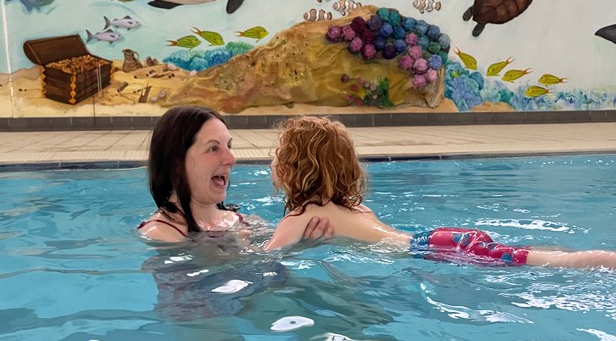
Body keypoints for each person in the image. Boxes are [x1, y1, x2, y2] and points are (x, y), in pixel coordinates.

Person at [264, 116, 616, 271]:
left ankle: (606, 260)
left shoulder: (301, 217)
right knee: (538, 255)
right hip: (437, 241)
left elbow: (263, 262)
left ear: (294, 169)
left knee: (553, 264)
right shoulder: (355, 207)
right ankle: (599, 257)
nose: (270, 162)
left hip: (435, 253)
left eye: (275, 156)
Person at [138, 105, 333, 242]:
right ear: (176, 163)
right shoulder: (161, 234)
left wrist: (303, 242)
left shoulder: (244, 222)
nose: (231, 159)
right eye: (213, 148)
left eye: (229, 146)